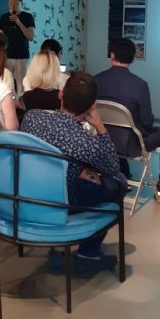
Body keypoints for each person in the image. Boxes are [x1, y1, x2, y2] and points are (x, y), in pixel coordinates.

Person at [21, 72, 127, 264]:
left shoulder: (32, 118)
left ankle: (59, 248)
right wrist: (100, 127)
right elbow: (113, 167)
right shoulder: (85, 142)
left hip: (27, 195)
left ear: (61, 93)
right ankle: (88, 254)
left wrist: (76, 170)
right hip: (64, 201)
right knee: (119, 182)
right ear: (92, 105)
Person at [95, 38, 160, 197]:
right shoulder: (140, 85)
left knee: (116, 130)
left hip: (102, 140)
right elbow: (147, 122)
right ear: (133, 58)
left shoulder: (96, 80)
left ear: (112, 55)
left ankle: (121, 177)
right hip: (131, 145)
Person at [0, 0, 35, 96]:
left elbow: (31, 36)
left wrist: (18, 22)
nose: (12, 5)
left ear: (21, 3)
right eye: (10, 3)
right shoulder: (3, 17)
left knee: (21, 86)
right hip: (7, 55)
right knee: (6, 84)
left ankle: (20, 105)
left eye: (15, 3)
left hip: (21, 56)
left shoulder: (28, 17)